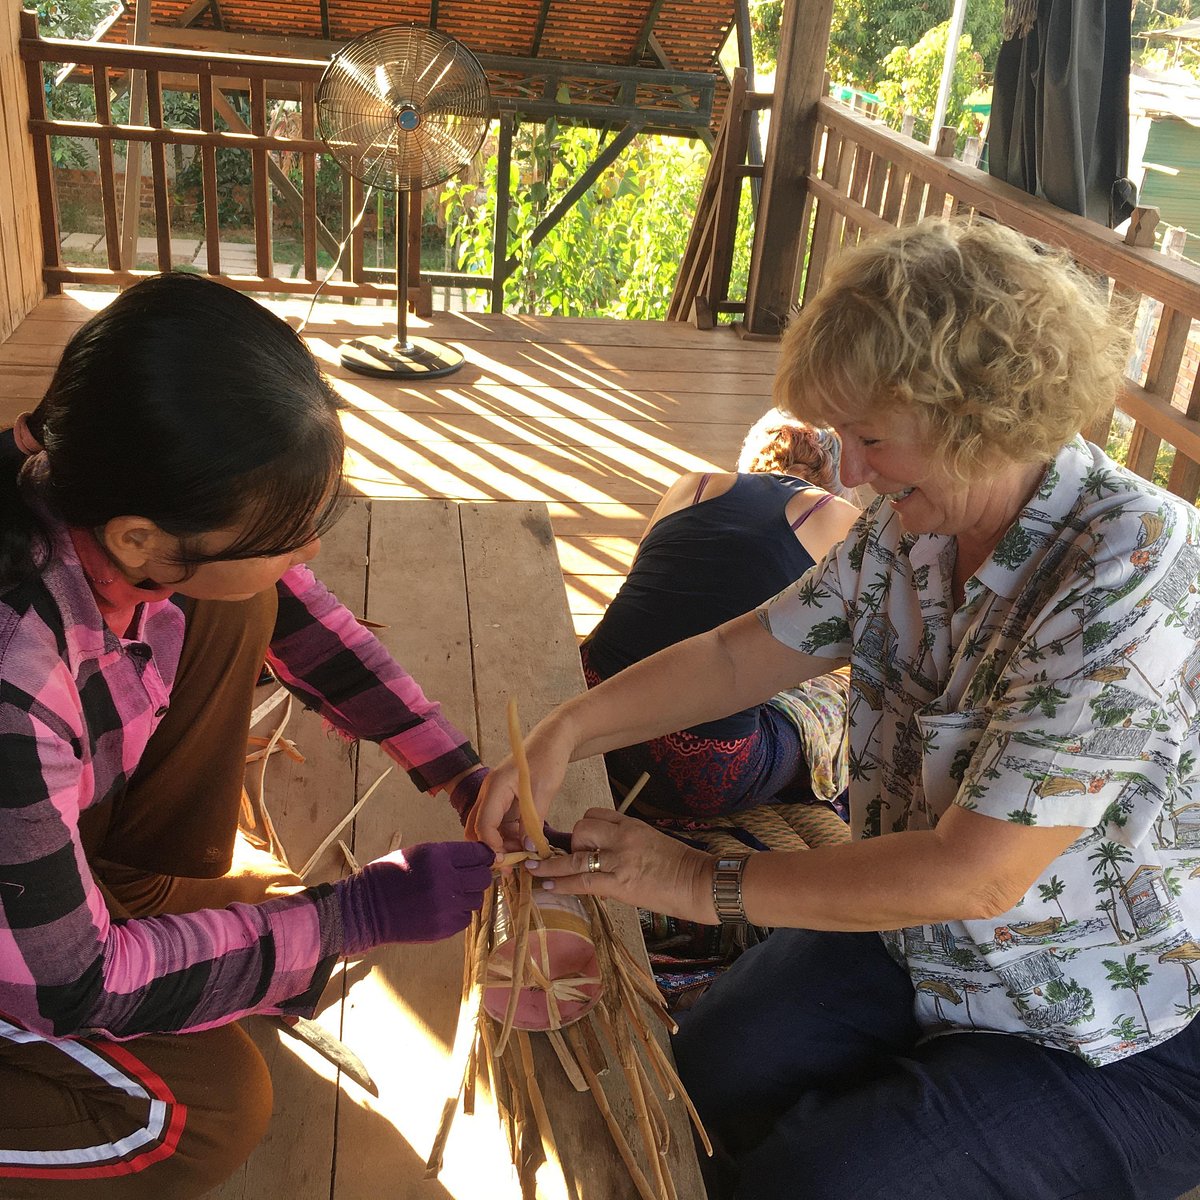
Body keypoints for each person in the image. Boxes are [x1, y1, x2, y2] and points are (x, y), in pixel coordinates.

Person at [470, 218, 1200, 1199]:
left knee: (812, 1184)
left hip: (1113, 1017)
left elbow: (976, 878)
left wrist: (696, 881)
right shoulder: (917, 524)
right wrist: (570, 727)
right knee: (708, 1079)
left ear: (974, 415)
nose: (845, 473)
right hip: (930, 944)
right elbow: (744, 652)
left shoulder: (1131, 568)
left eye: (869, 439)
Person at [0, 274, 495, 1200]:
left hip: (27, 863)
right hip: (36, 963)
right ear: (142, 538)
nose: (311, 551)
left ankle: (135, 892)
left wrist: (454, 767)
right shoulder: (13, 688)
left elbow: (296, 614)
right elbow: (76, 990)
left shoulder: (99, 509)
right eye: (290, 531)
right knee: (206, 1112)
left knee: (240, 603)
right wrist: (352, 917)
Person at [580, 411, 859, 819]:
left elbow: (648, 595)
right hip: (701, 771)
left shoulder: (693, 484)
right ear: (837, 480)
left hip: (593, 708)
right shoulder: (842, 519)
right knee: (842, 695)